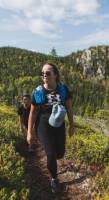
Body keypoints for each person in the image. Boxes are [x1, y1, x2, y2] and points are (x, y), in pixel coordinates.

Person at [27, 63, 74, 193]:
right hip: (43, 125)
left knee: (60, 152)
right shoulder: (38, 92)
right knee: (51, 153)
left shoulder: (63, 89)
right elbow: (33, 112)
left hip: (59, 124)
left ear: (55, 75)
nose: (44, 75)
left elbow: (69, 109)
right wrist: (29, 132)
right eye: (42, 73)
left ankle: (53, 161)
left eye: (47, 73)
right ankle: (54, 179)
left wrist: (72, 126)